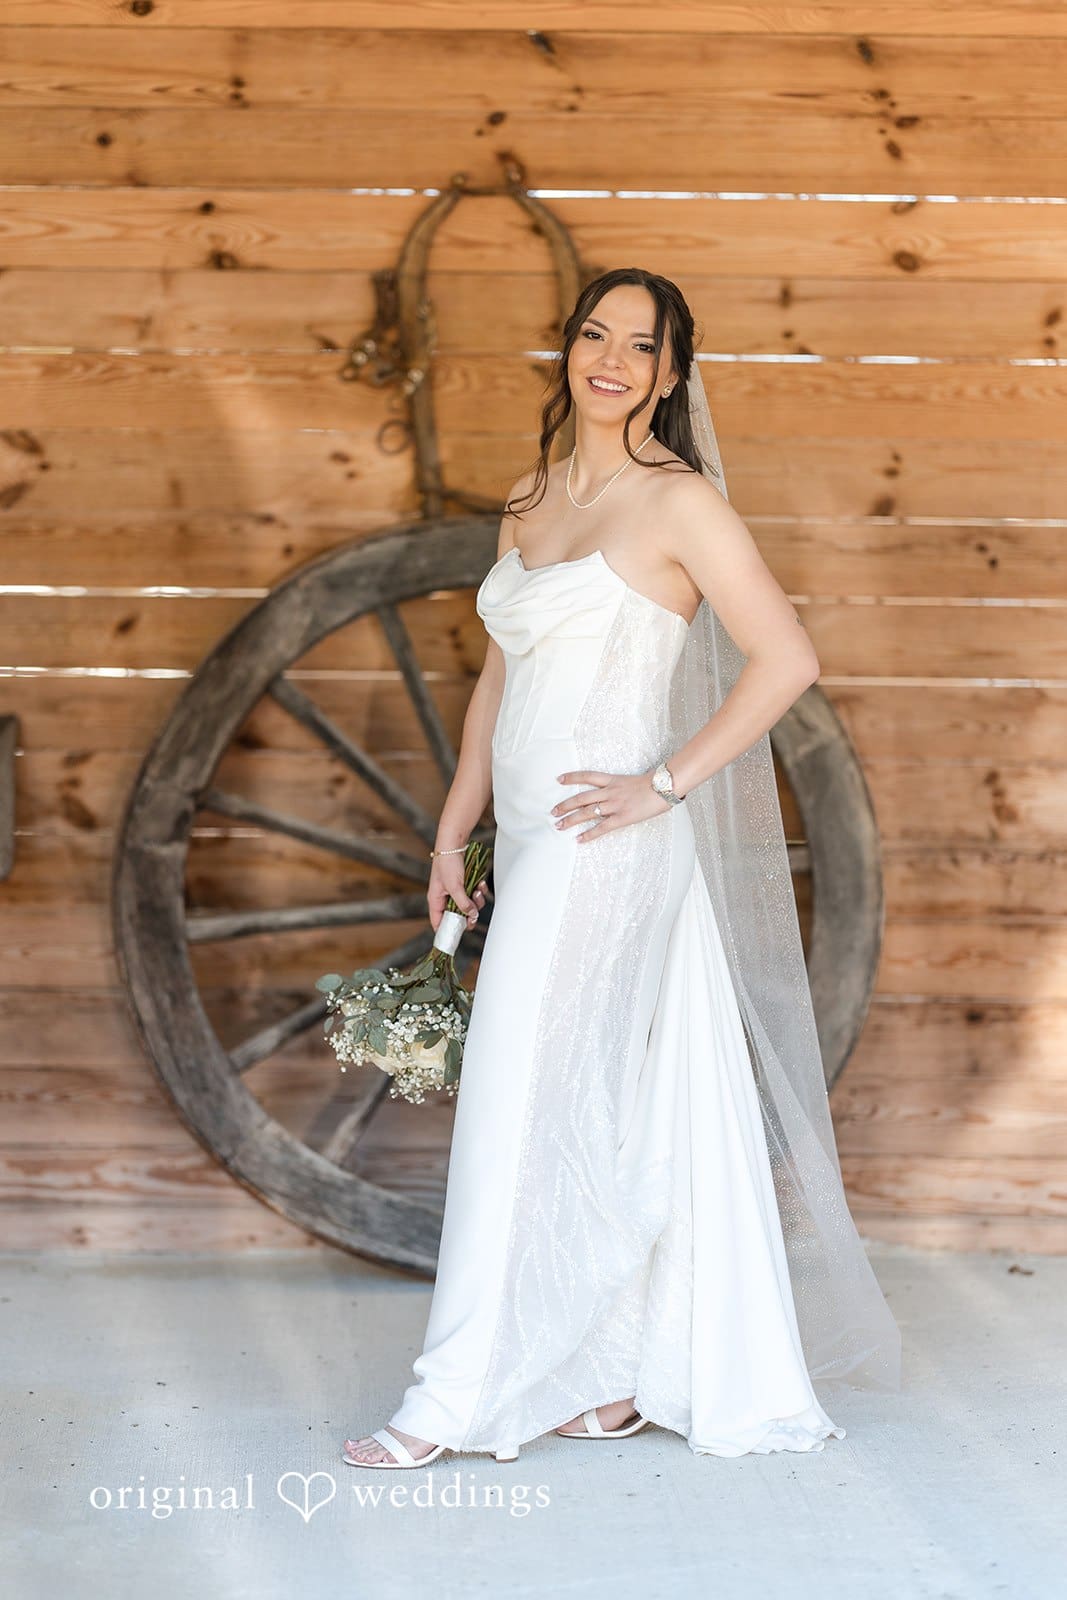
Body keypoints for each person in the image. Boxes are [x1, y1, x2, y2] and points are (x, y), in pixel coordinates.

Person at [343, 267, 901, 1469]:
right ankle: (603, 1369)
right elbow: (503, 670)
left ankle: (448, 1399)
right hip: (532, 841)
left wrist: (660, 783)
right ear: (570, 349)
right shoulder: (532, 495)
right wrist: (454, 828)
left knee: (509, 1097)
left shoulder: (679, 504)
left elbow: (784, 658)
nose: (607, 359)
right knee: (583, 1099)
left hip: (611, 847)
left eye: (637, 346)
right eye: (592, 334)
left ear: (668, 372)